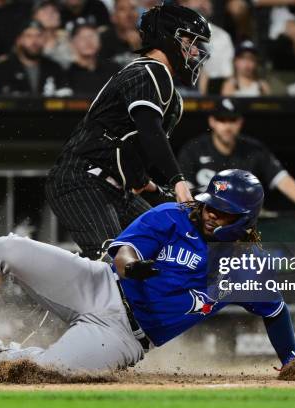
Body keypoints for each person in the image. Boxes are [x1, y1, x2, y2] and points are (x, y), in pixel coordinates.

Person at [0, 170, 295, 379]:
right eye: (210, 205)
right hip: (98, 283)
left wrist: (291, 360)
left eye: (221, 212)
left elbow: (275, 311)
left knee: (44, 374)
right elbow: (123, 251)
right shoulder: (174, 216)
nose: (210, 213)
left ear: (245, 219)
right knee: (12, 247)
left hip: (125, 336)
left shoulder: (244, 269)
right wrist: (132, 266)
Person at [46, 4, 211, 259]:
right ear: (167, 37)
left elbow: (134, 148)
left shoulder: (171, 95)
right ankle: (31, 294)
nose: (195, 51)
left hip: (116, 189)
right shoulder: (147, 71)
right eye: (189, 41)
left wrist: (150, 187)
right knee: (115, 262)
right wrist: (178, 182)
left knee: (171, 252)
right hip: (82, 179)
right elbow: (149, 131)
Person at [178, 98, 295, 221]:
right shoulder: (193, 149)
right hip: (205, 220)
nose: (227, 126)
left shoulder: (254, 150)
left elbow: (283, 180)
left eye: (232, 120)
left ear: (240, 122)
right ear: (212, 121)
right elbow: (184, 192)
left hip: (242, 224)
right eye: (222, 120)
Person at [0, 20, 70, 96]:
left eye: (39, 36)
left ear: (45, 40)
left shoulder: (54, 68)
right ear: (19, 40)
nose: (34, 41)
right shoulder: (4, 68)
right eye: (29, 36)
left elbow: (64, 96)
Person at [178, 0, 234, 95]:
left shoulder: (222, 37)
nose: (202, 3)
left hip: (208, 96)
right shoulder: (169, 32)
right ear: (183, 3)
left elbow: (226, 78)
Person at [66, 20, 121, 94]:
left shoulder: (114, 70)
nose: (88, 41)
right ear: (72, 43)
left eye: (92, 36)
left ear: (100, 41)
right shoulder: (67, 74)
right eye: (82, 37)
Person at [98, 0, 140, 66]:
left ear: (137, 15)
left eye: (132, 8)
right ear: (113, 17)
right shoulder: (103, 40)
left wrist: (139, 48)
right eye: (122, 9)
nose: (129, 14)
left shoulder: (148, 36)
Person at [33, 0, 73, 68]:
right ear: (34, 16)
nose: (50, 14)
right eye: (45, 10)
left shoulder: (71, 38)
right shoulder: (28, 41)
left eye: (54, 11)